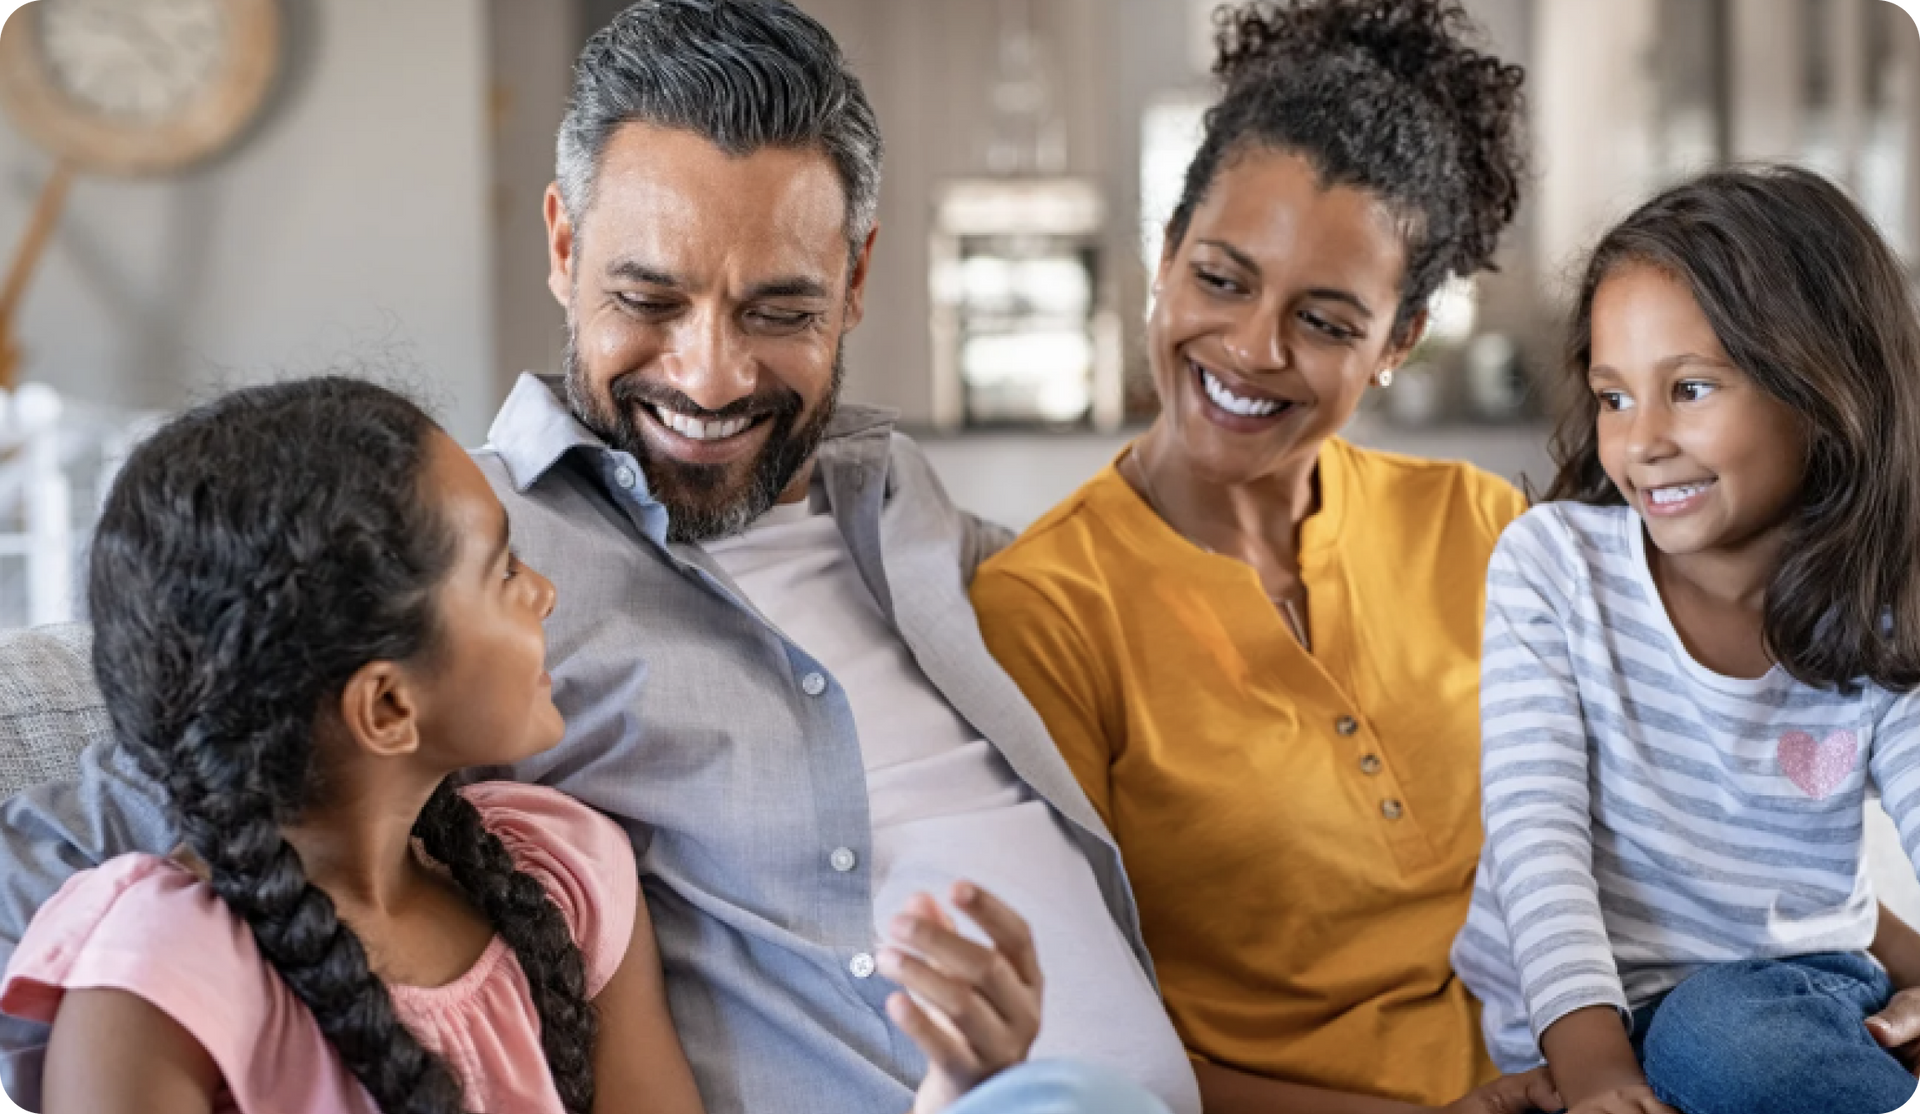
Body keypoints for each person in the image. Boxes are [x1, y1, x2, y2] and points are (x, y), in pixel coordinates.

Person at [0, 4, 1196, 1114]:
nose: (711, 375)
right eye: (651, 299)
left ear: (859, 279)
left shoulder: (898, 499)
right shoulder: (447, 568)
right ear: (566, 246)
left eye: (781, 311)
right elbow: (129, 793)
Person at [972, 2, 1557, 1111]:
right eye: (1223, 278)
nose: (1251, 349)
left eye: (1327, 320)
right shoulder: (1045, 610)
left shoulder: (1480, 530)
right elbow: (1079, 1050)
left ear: (1398, 343)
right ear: (1163, 259)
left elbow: (1676, 795)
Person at [1449, 166, 1920, 1114]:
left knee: (1722, 1036)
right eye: (1613, 396)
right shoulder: (1555, 568)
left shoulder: (1879, 607)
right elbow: (1536, 838)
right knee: (1706, 1040)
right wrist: (1594, 1070)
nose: (1640, 440)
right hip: (1587, 1018)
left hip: (1788, 993)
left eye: (1691, 388)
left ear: (1824, 392)